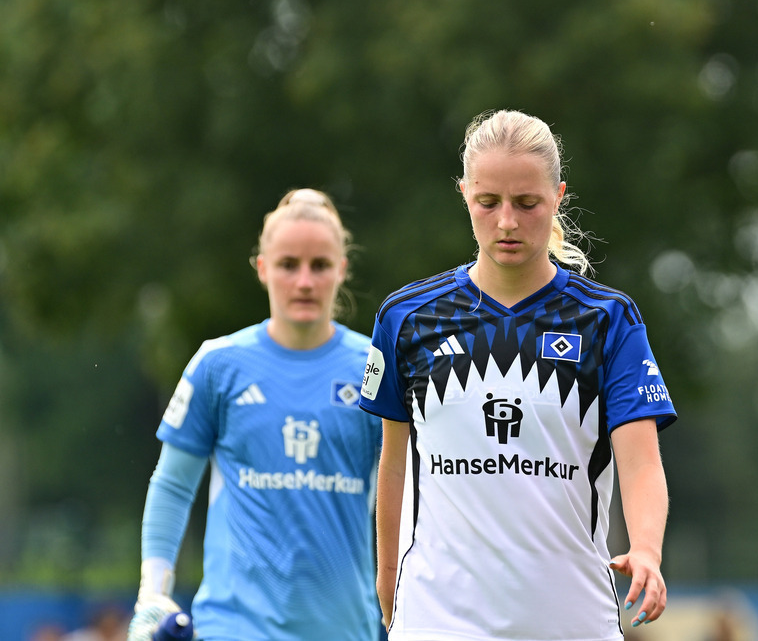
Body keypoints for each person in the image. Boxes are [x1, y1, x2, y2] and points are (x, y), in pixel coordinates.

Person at [359, 109, 677, 641]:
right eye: (488, 202)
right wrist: (387, 579)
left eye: (527, 204)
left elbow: (642, 463)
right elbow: (393, 466)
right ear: (465, 194)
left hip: (572, 624)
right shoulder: (405, 318)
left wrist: (646, 548)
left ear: (558, 197)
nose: (506, 222)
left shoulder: (608, 320)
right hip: (436, 622)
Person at [126, 189, 384, 641]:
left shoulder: (375, 369)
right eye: (288, 264)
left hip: (344, 631)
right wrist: (153, 592)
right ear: (262, 268)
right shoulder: (217, 365)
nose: (304, 281)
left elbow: (410, 498)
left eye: (320, 265)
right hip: (232, 628)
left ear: (342, 269)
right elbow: (172, 486)